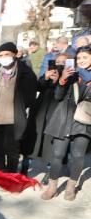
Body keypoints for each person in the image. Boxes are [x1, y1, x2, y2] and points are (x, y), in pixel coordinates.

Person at [41, 46, 91, 201]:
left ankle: (70, 187)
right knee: (57, 154)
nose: (82, 61)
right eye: (79, 58)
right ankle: (52, 187)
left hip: (84, 120)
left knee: (77, 155)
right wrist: (62, 80)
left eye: (85, 57)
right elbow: (58, 96)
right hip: (64, 117)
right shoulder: (71, 74)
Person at [0, 42, 37, 173]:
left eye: (6, 54)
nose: (3, 57)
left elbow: (30, 96)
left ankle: (11, 175)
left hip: (14, 118)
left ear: (15, 54)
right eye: (0, 55)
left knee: (12, 150)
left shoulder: (26, 73)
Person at [28, 53, 71, 184]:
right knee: (34, 138)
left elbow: (60, 94)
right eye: (57, 61)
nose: (59, 64)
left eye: (63, 62)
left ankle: (50, 169)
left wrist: (60, 80)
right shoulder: (49, 72)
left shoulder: (71, 75)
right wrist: (45, 78)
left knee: (50, 141)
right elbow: (38, 87)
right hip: (41, 108)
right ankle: (26, 163)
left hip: (57, 110)